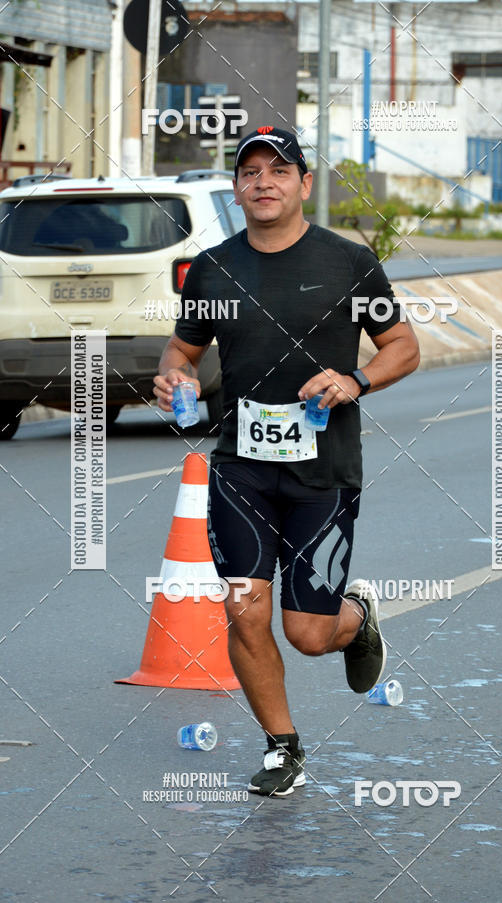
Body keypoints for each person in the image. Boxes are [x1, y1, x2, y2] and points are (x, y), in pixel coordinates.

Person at [153, 126, 420, 797]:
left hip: (323, 470)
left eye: (279, 170)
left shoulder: (349, 262)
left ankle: (355, 618)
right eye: (251, 172)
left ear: (304, 183)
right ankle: (282, 748)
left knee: (307, 633)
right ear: (237, 188)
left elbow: (403, 346)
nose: (264, 182)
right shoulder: (212, 269)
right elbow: (183, 349)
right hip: (239, 467)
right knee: (245, 609)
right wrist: (174, 376)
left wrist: (354, 380)